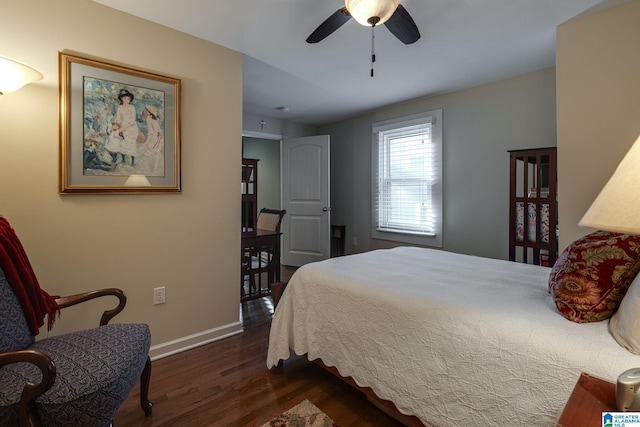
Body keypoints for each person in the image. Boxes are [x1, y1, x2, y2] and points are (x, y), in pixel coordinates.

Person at [113, 89, 139, 166]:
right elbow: (117, 118)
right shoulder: (120, 107)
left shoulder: (132, 107)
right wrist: (116, 126)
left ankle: (132, 162)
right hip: (122, 126)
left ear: (130, 99)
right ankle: (123, 160)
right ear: (121, 98)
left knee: (131, 144)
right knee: (122, 143)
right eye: (125, 98)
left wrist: (123, 128)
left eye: (128, 99)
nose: (126, 100)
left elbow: (132, 120)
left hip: (131, 127)